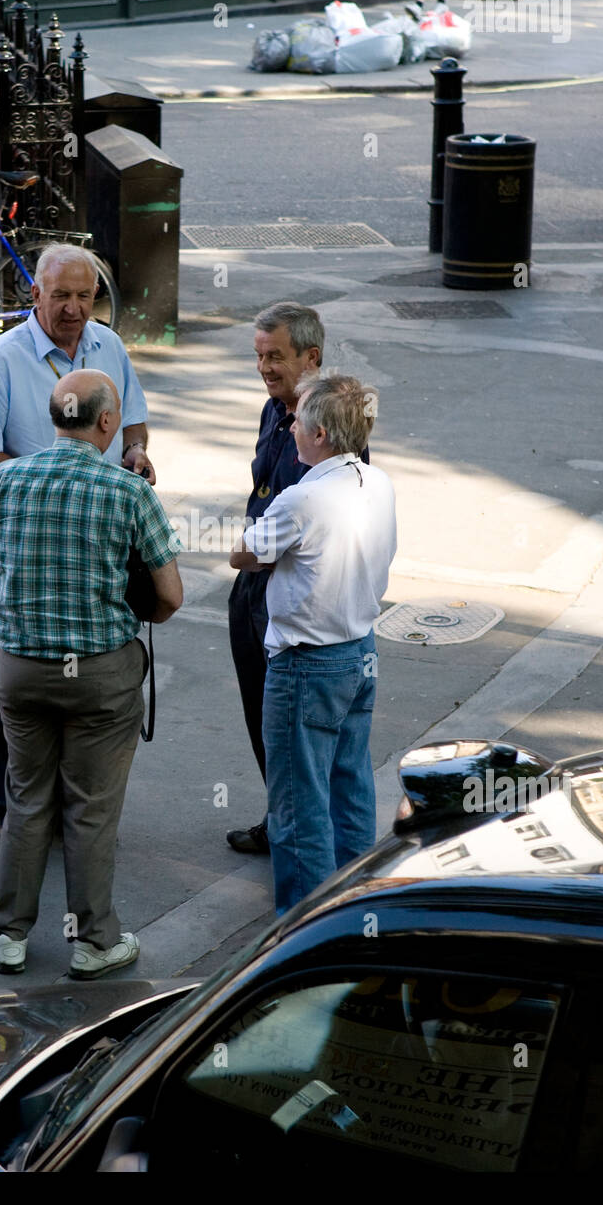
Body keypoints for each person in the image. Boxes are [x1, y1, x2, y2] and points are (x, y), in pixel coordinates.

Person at [0, 370, 182, 979]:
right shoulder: (128, 492)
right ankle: (95, 941)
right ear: (107, 424)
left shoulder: (5, 479)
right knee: (91, 806)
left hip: (19, 671)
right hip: (101, 677)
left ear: (54, 417)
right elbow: (169, 597)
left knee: (25, 797)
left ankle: (8, 935)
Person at [0, 244, 155, 845]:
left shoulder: (108, 347)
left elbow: (135, 422)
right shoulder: (2, 360)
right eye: (60, 296)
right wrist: (49, 478)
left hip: (98, 547)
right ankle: (11, 816)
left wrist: (136, 453)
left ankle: (74, 814)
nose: (73, 309)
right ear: (34, 295)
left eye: (84, 297)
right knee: (17, 682)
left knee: (89, 684)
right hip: (31, 550)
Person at [231, 373, 396, 914]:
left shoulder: (301, 498)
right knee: (350, 786)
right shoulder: (379, 482)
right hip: (360, 649)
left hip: (307, 663)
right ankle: (353, 907)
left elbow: (246, 555)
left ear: (320, 433)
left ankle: (303, 927)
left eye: (298, 420)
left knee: (299, 806)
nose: (291, 426)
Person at [225, 302, 326, 855]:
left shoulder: (328, 423)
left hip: (289, 593)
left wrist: (252, 556)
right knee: (262, 713)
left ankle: (301, 839)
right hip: (254, 588)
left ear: (310, 358)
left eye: (276, 357)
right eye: (259, 356)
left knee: (292, 727)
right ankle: (281, 815)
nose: (265, 368)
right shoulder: (273, 410)